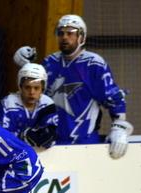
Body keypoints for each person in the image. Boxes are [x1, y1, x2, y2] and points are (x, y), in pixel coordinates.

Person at [42, 14, 133, 158]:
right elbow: (37, 98)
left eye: (70, 33)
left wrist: (119, 127)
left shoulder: (93, 64)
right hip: (51, 144)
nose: (65, 37)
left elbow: (113, 98)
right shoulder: (49, 62)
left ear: (81, 37)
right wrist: (26, 66)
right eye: (61, 33)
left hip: (85, 144)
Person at [0, 63, 58, 150]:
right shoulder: (7, 104)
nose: (32, 92)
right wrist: (23, 136)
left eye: (36, 88)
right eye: (27, 87)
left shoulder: (48, 104)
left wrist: (49, 137)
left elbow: (52, 135)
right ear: (20, 87)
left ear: (43, 89)